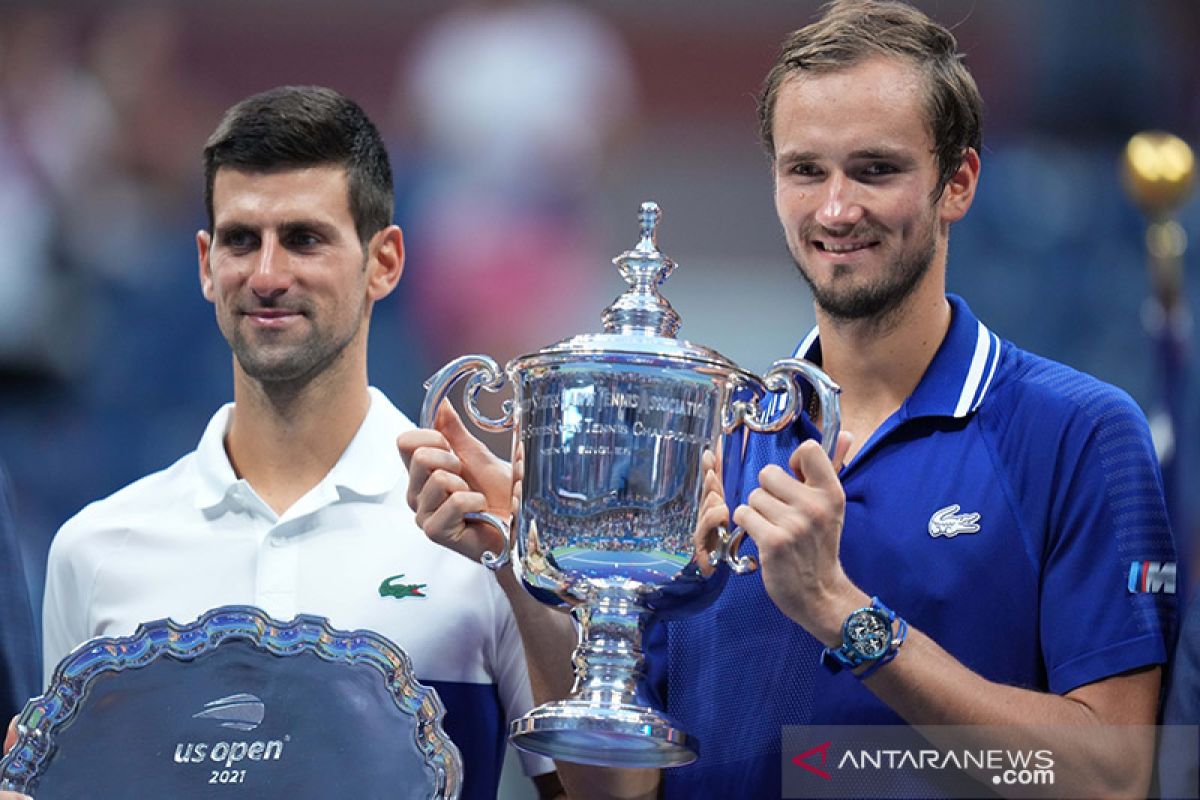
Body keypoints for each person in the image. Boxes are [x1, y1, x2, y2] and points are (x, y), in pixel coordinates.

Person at [399, 2, 1178, 798]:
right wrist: (519, 562)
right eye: (807, 170)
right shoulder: (717, 438)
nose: (836, 210)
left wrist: (841, 613)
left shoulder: (1078, 430)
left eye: (875, 169)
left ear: (959, 184)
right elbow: (619, 791)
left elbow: (1108, 776)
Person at [33, 86, 558, 800]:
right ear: (204, 263)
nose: (268, 276)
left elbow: (605, 792)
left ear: (385, 262)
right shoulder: (95, 551)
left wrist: (516, 574)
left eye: (305, 238)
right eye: (241, 240)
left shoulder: (478, 539)